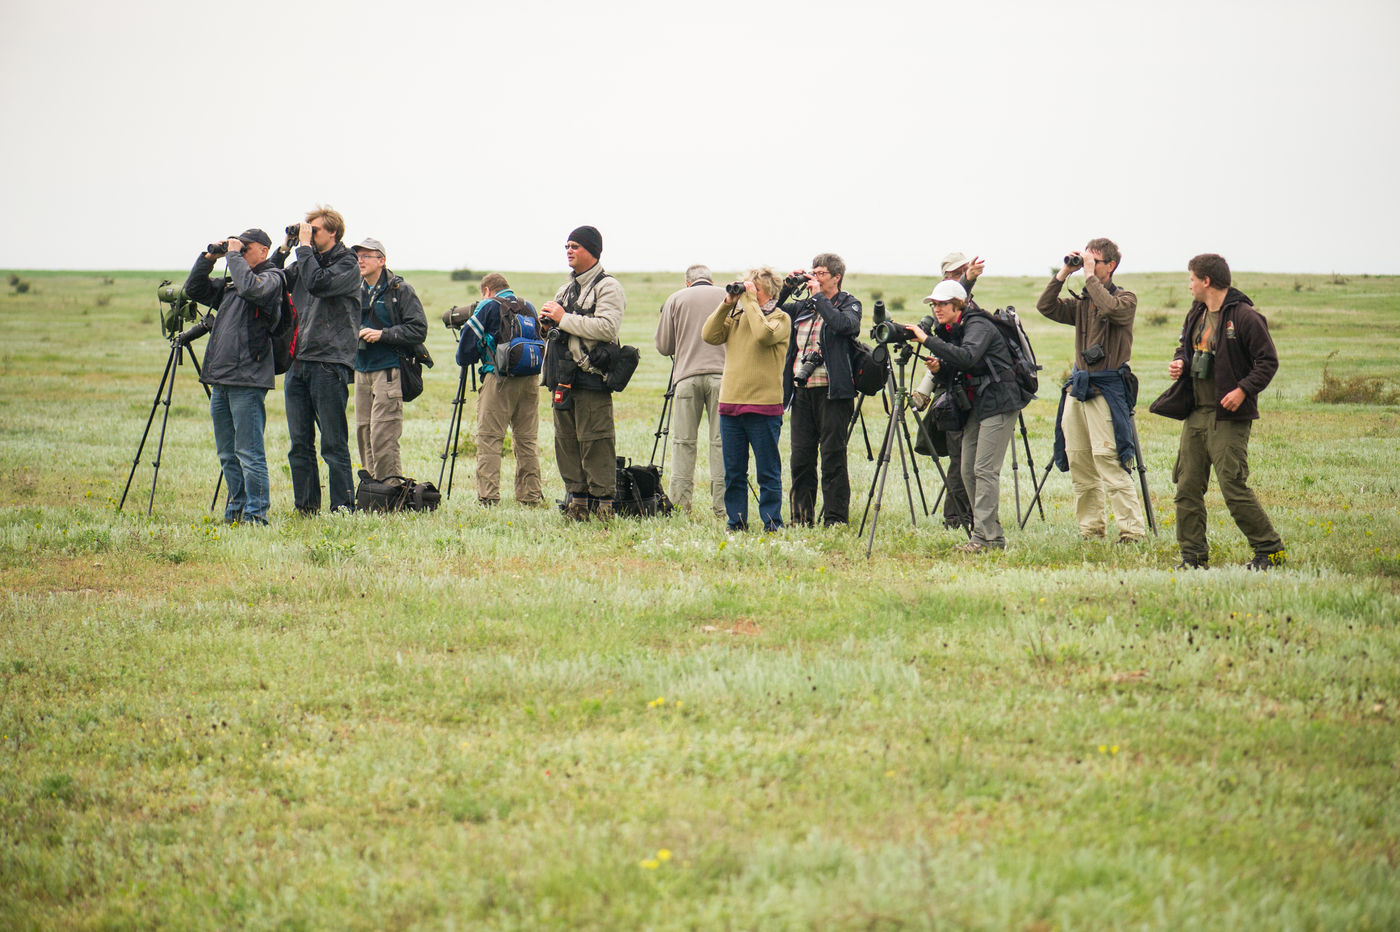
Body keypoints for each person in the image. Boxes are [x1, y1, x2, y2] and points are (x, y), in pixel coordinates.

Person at [1161, 254, 1285, 570]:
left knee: (1232, 486)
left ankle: (1270, 551)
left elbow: (1268, 362)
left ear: (1206, 281)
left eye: (1191, 279)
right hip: (1196, 413)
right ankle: (1193, 558)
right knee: (1186, 487)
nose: (1188, 285)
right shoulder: (1197, 313)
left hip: (1228, 417)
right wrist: (1181, 363)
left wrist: (1243, 390)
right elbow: (1184, 348)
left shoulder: (1245, 317)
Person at [1035, 237, 1146, 543]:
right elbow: (1045, 307)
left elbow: (1110, 309)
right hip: (1079, 387)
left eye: (1093, 261)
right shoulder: (1082, 303)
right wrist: (1063, 274)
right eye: (1085, 260)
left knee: (1108, 460)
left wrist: (1088, 277)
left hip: (1107, 388)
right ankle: (1091, 530)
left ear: (1110, 266)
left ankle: (1131, 532)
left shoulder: (1126, 299)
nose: (1087, 266)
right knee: (1080, 462)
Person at [910, 279, 1028, 552]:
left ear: (958, 304)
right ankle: (989, 536)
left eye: (942, 304)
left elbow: (967, 357)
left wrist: (928, 339)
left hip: (1000, 402)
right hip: (979, 405)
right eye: (934, 304)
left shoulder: (978, 325)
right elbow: (959, 368)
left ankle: (985, 539)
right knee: (967, 469)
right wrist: (940, 369)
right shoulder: (954, 329)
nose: (936, 309)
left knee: (984, 470)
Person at [180, 228, 283, 525]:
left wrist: (234, 256)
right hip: (222, 378)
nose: (237, 252)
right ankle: (235, 513)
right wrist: (210, 257)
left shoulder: (273, 278)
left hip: (248, 379)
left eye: (245, 248)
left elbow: (253, 290)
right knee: (227, 453)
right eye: (237, 248)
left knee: (249, 453)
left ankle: (256, 516)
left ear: (263, 251)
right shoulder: (230, 284)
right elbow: (194, 289)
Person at [539, 225, 626, 521]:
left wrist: (564, 319)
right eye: (567, 246)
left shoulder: (608, 286)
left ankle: (603, 506)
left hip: (591, 377)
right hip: (562, 376)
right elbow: (560, 327)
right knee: (566, 440)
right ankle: (577, 502)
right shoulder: (566, 288)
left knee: (596, 440)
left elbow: (607, 328)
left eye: (575, 246)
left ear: (592, 250)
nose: (569, 251)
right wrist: (548, 325)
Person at [283, 205, 361, 514]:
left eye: (313, 230)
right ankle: (306, 507)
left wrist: (303, 249)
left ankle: (342, 508)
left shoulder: (348, 264)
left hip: (329, 362)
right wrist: (284, 247)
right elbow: (275, 280)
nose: (309, 235)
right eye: (307, 230)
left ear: (333, 232)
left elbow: (317, 282)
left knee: (333, 442)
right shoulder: (305, 260)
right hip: (299, 361)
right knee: (299, 443)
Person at [702, 267, 790, 532]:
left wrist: (750, 301)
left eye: (754, 289)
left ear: (768, 292)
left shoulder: (780, 318)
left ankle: (772, 523)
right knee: (734, 472)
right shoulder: (737, 315)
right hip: (730, 405)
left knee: (767, 471)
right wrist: (726, 304)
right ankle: (736, 522)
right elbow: (708, 335)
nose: (746, 293)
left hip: (764, 407)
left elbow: (763, 336)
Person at [781, 252, 861, 526]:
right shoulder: (802, 307)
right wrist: (787, 288)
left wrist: (819, 298)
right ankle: (801, 518)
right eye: (813, 273)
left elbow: (843, 326)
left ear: (836, 277)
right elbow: (773, 312)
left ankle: (836, 519)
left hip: (832, 393)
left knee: (832, 456)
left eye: (821, 273)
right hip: (801, 392)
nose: (815, 277)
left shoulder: (849, 304)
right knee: (801, 458)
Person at [911, 251, 985, 531]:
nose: (962, 276)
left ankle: (966, 517)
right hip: (953, 392)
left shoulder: (972, 316)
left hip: (972, 393)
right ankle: (956, 518)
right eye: (957, 273)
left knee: (969, 461)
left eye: (963, 272)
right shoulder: (945, 312)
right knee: (959, 460)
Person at [456, 272, 543, 507]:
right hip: (530, 381)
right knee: (527, 441)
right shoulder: (529, 306)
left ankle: (488, 496)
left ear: (486, 290)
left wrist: (469, 358)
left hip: (498, 379)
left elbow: (466, 349)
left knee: (490, 439)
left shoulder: (488, 306)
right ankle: (530, 496)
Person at [351, 237, 428, 481]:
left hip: (388, 370)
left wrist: (382, 335)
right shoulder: (354, 288)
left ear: (381, 261)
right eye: (358, 256)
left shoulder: (399, 290)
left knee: (383, 433)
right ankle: (372, 489)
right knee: (364, 431)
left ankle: (390, 489)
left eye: (366, 256)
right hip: (361, 370)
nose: (360, 260)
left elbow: (418, 329)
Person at [655, 265, 728, 517]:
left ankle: (680, 505)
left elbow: (664, 346)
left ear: (687, 282)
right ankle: (722, 507)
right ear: (711, 280)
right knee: (721, 443)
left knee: (683, 442)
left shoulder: (675, 298)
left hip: (686, 378)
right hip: (723, 378)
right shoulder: (726, 296)